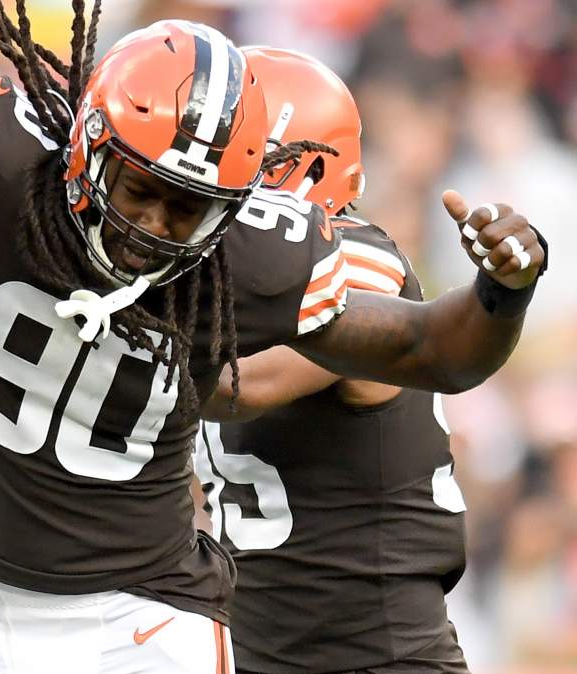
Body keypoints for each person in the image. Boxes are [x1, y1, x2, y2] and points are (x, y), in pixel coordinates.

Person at [0, 4, 547, 672]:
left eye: (193, 205)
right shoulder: (7, 161)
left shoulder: (273, 257)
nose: (153, 227)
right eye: (142, 189)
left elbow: (413, 354)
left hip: (321, 639)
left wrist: (501, 292)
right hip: (56, 607)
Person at [196, 47, 470, 673]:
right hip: (260, 644)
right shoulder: (213, 276)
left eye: (229, 151)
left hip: (379, 654)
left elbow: (242, 385)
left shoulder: (357, 257)